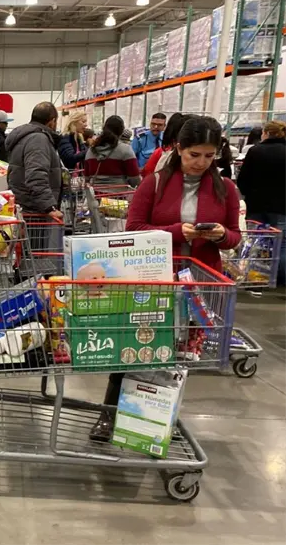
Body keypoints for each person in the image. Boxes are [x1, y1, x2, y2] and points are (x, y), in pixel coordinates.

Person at [89, 116, 242, 441]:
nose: (201, 163)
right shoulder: (154, 183)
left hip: (198, 282)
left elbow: (234, 237)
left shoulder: (225, 188)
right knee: (133, 345)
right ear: (178, 149)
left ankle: (153, 419)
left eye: (209, 156)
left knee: (178, 354)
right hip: (153, 279)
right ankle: (109, 414)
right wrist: (175, 231)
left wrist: (219, 235)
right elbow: (134, 228)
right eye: (194, 155)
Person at [236, 120, 286, 287]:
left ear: (266, 133)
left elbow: (243, 179)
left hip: (256, 205)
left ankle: (255, 278)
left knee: (255, 241)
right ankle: (280, 280)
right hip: (282, 208)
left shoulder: (255, 151)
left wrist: (249, 193)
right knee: (281, 243)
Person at [5, 101, 63, 219]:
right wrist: (49, 207)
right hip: (33, 208)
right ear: (52, 121)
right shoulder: (38, 139)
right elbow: (36, 175)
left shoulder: (26, 136)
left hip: (24, 203)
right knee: (35, 237)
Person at [84, 115, 140, 187]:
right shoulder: (126, 150)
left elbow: (87, 178)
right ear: (121, 131)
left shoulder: (91, 150)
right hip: (119, 195)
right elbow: (134, 179)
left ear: (104, 129)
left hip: (95, 195)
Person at [141, 113, 193, 178]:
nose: (156, 127)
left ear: (164, 126)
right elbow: (148, 175)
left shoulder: (164, 143)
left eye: (159, 125)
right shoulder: (161, 153)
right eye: (153, 124)